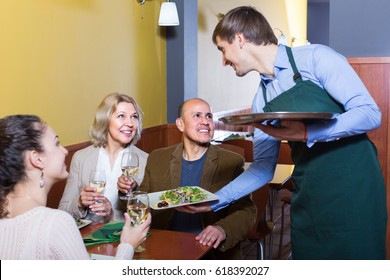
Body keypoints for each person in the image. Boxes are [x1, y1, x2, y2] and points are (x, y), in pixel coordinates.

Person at [183, 6, 388, 260]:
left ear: (239, 38)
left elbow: (369, 113)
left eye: (222, 49)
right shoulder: (261, 100)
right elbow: (263, 168)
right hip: (310, 194)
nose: (223, 60)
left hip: (354, 186)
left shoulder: (316, 58)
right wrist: (215, 200)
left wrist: (307, 133)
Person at [0, 114, 151, 259]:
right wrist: (127, 244)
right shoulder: (56, 223)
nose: (65, 151)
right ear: (37, 159)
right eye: (56, 143)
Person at [136, 98, 256, 259]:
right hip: (164, 247)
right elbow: (141, 203)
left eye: (209, 116)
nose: (205, 121)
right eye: (197, 115)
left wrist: (222, 229)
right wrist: (127, 192)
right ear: (180, 124)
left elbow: (246, 210)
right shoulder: (157, 158)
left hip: (209, 251)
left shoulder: (231, 162)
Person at [59, 93, 148, 222]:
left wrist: (111, 214)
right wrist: (79, 203)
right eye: (121, 116)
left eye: (134, 117)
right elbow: (62, 211)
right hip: (86, 237)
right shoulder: (80, 158)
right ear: (105, 120)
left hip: (125, 237)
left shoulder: (146, 160)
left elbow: (145, 217)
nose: (130, 123)